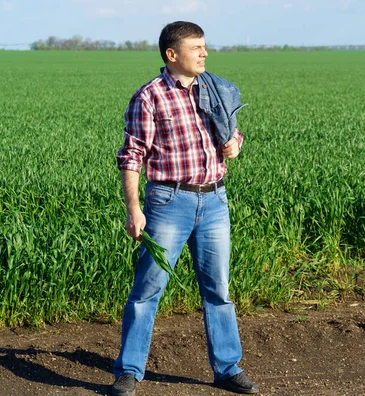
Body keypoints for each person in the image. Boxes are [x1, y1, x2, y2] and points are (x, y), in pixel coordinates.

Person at [111, 21, 259, 395]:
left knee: (218, 289)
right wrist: (134, 208)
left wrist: (235, 143)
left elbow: (232, 129)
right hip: (168, 202)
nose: (205, 53)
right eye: (196, 48)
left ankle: (227, 369)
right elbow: (132, 156)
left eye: (204, 46)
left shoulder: (215, 88)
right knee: (148, 289)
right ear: (172, 55)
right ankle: (129, 371)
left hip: (214, 200)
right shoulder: (149, 97)